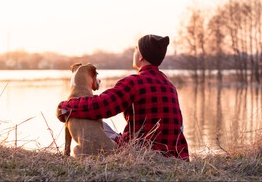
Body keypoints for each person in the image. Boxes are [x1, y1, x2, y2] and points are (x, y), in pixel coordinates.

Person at [57, 34, 189, 161]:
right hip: (174, 154)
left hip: (140, 151)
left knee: (98, 122)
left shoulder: (133, 82)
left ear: (141, 56)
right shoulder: (169, 85)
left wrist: (66, 107)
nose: (134, 53)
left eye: (135, 49)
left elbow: (102, 106)